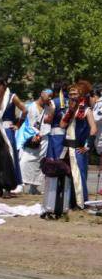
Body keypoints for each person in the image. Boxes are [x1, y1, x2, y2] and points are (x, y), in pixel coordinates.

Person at [42, 81, 91, 216]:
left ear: (81, 95)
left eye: (75, 93)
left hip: (77, 148)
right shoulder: (69, 110)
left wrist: (87, 146)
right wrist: (70, 111)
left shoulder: (87, 110)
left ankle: (81, 202)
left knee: (78, 176)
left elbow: (92, 130)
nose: (72, 96)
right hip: (66, 147)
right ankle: (66, 201)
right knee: (65, 174)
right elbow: (63, 125)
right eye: (70, 94)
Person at [0, 76, 26, 198]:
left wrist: (18, 124)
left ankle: (8, 188)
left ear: (4, 86)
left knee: (7, 159)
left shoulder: (12, 97)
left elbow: (24, 110)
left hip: (7, 131)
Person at [16, 87, 54, 195]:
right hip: (30, 137)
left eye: (52, 96)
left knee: (40, 162)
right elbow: (24, 123)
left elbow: (48, 121)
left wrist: (53, 110)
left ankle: (34, 187)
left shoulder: (48, 108)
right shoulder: (29, 106)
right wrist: (33, 134)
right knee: (24, 160)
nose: (50, 98)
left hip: (44, 137)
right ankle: (20, 184)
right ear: (42, 94)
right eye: (48, 95)